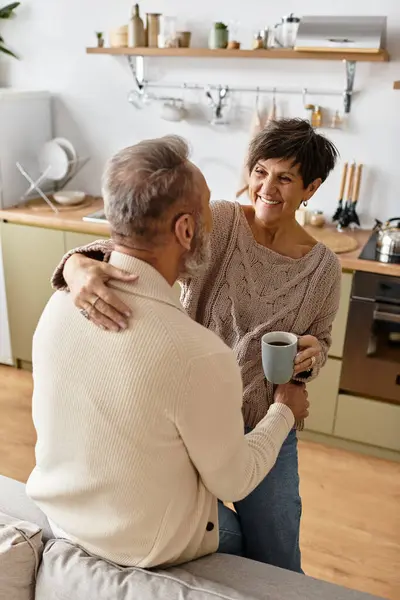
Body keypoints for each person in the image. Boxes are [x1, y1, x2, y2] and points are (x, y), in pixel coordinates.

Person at [51, 119, 341, 572]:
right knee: (219, 545)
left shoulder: (323, 269)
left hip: (266, 419)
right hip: (190, 412)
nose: (266, 186)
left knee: (279, 554)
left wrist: (313, 354)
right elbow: (137, 243)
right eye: (261, 171)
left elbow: (319, 340)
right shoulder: (221, 219)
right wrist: (75, 265)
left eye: (285, 177)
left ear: (312, 188)